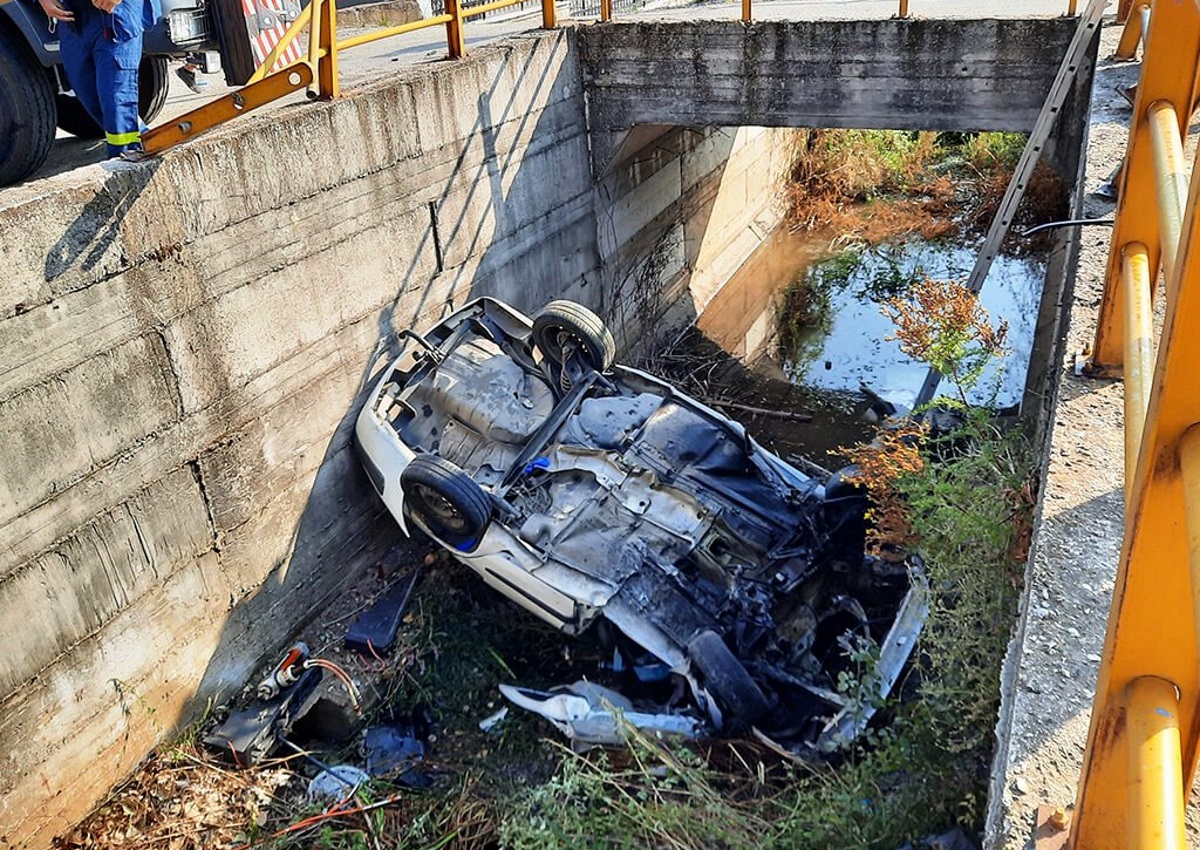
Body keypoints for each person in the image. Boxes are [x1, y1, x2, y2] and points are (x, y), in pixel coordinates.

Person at [35, 0, 161, 157]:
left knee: (115, 98)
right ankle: (141, 136)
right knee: (90, 95)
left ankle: (127, 158)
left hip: (115, 15)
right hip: (74, 21)